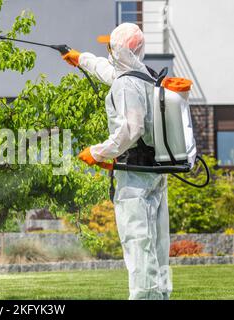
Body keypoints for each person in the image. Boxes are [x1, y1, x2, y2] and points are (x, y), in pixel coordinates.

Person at [62, 23, 171, 300]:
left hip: (134, 177)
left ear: (119, 49)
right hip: (154, 171)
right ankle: (159, 295)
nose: (108, 51)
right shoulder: (145, 77)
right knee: (157, 243)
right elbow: (109, 71)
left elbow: (130, 130)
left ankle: (143, 297)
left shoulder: (126, 85)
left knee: (137, 242)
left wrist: (98, 152)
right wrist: (81, 59)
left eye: (111, 46)